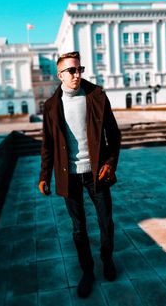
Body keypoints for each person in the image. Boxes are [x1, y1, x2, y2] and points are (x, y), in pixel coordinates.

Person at [39, 51, 121, 298]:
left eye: (79, 69)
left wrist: (110, 163)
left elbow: (113, 135)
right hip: (69, 174)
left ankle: (107, 259)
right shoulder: (51, 106)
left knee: (105, 220)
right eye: (71, 70)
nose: (77, 74)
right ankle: (87, 270)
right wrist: (44, 175)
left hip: (97, 173)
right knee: (78, 228)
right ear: (60, 75)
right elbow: (48, 144)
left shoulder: (97, 96)